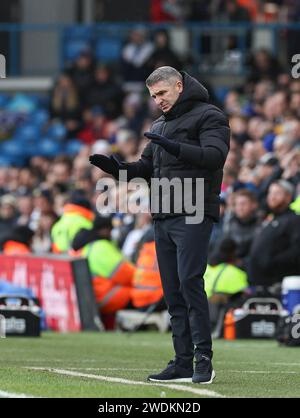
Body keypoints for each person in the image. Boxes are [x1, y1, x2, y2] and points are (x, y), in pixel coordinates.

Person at [89, 66, 230, 384]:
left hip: (194, 211)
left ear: (179, 86)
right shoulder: (159, 124)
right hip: (163, 215)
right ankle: (182, 361)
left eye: (162, 93)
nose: (158, 101)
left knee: (190, 283)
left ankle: (203, 358)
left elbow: (214, 156)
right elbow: (147, 168)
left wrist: (174, 147)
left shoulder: (210, 116)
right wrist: (118, 169)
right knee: (173, 291)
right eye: (153, 96)